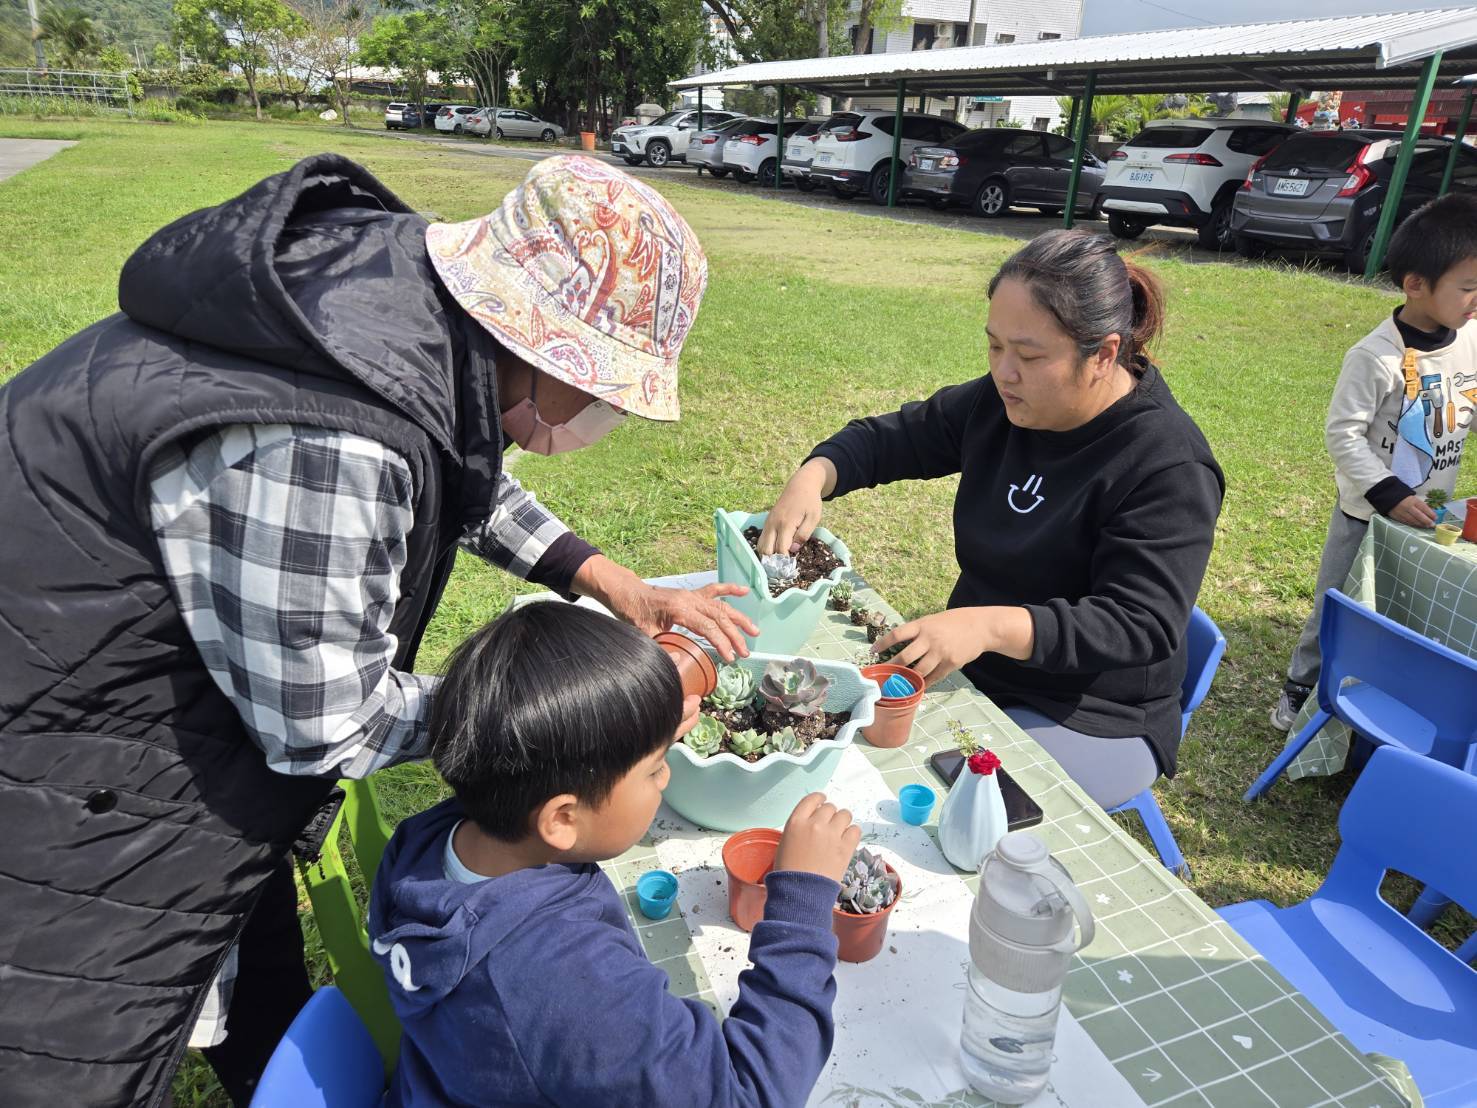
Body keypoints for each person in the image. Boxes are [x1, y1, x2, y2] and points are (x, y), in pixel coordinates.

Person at [0, 153, 760, 1107]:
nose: (601, 416)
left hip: (148, 698)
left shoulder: (391, 305)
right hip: (63, 748)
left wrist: (602, 577)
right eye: (603, 394)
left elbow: (456, 465)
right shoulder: (326, 441)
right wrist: (579, 722)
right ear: (545, 349)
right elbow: (326, 721)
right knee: (75, 1040)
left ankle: (262, 1056)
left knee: (240, 930)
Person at [759, 230, 1224, 810]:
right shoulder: (1001, 403)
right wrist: (815, 475)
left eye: (1029, 356)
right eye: (994, 347)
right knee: (836, 738)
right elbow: (896, 438)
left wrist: (985, 627)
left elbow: (1139, 622)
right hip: (983, 669)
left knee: (953, 801)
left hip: (1095, 711)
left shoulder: (1167, 463)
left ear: (1103, 354)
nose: (1005, 372)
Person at [371, 602, 858, 1107]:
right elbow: (749, 1095)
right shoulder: (574, 993)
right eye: (654, 769)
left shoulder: (427, 843)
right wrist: (802, 902)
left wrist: (629, 742)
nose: (666, 776)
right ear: (561, 819)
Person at [1270, 193, 1477, 730]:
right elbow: (1343, 434)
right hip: (1368, 512)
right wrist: (1387, 493)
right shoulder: (1374, 356)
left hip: (1433, 514)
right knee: (1337, 605)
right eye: (1469, 288)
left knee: (1406, 601)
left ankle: (1386, 684)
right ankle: (1302, 685)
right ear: (1415, 284)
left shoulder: (1471, 341)